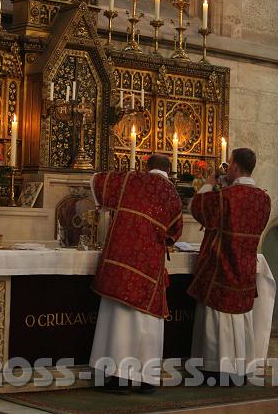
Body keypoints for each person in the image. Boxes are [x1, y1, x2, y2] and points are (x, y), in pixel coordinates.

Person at [89, 154, 183, 394]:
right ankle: (147, 379)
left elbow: (97, 181)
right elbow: (175, 231)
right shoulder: (173, 194)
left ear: (146, 168)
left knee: (121, 318)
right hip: (151, 266)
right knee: (148, 321)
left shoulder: (131, 180)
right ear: (167, 170)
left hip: (122, 261)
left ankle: (119, 378)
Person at [187, 148, 271, 385]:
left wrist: (209, 183)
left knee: (218, 318)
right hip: (244, 267)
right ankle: (241, 367)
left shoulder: (226, 197)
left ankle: (216, 369)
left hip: (222, 265)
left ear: (234, 167)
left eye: (230, 164)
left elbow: (198, 208)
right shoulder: (264, 198)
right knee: (239, 318)